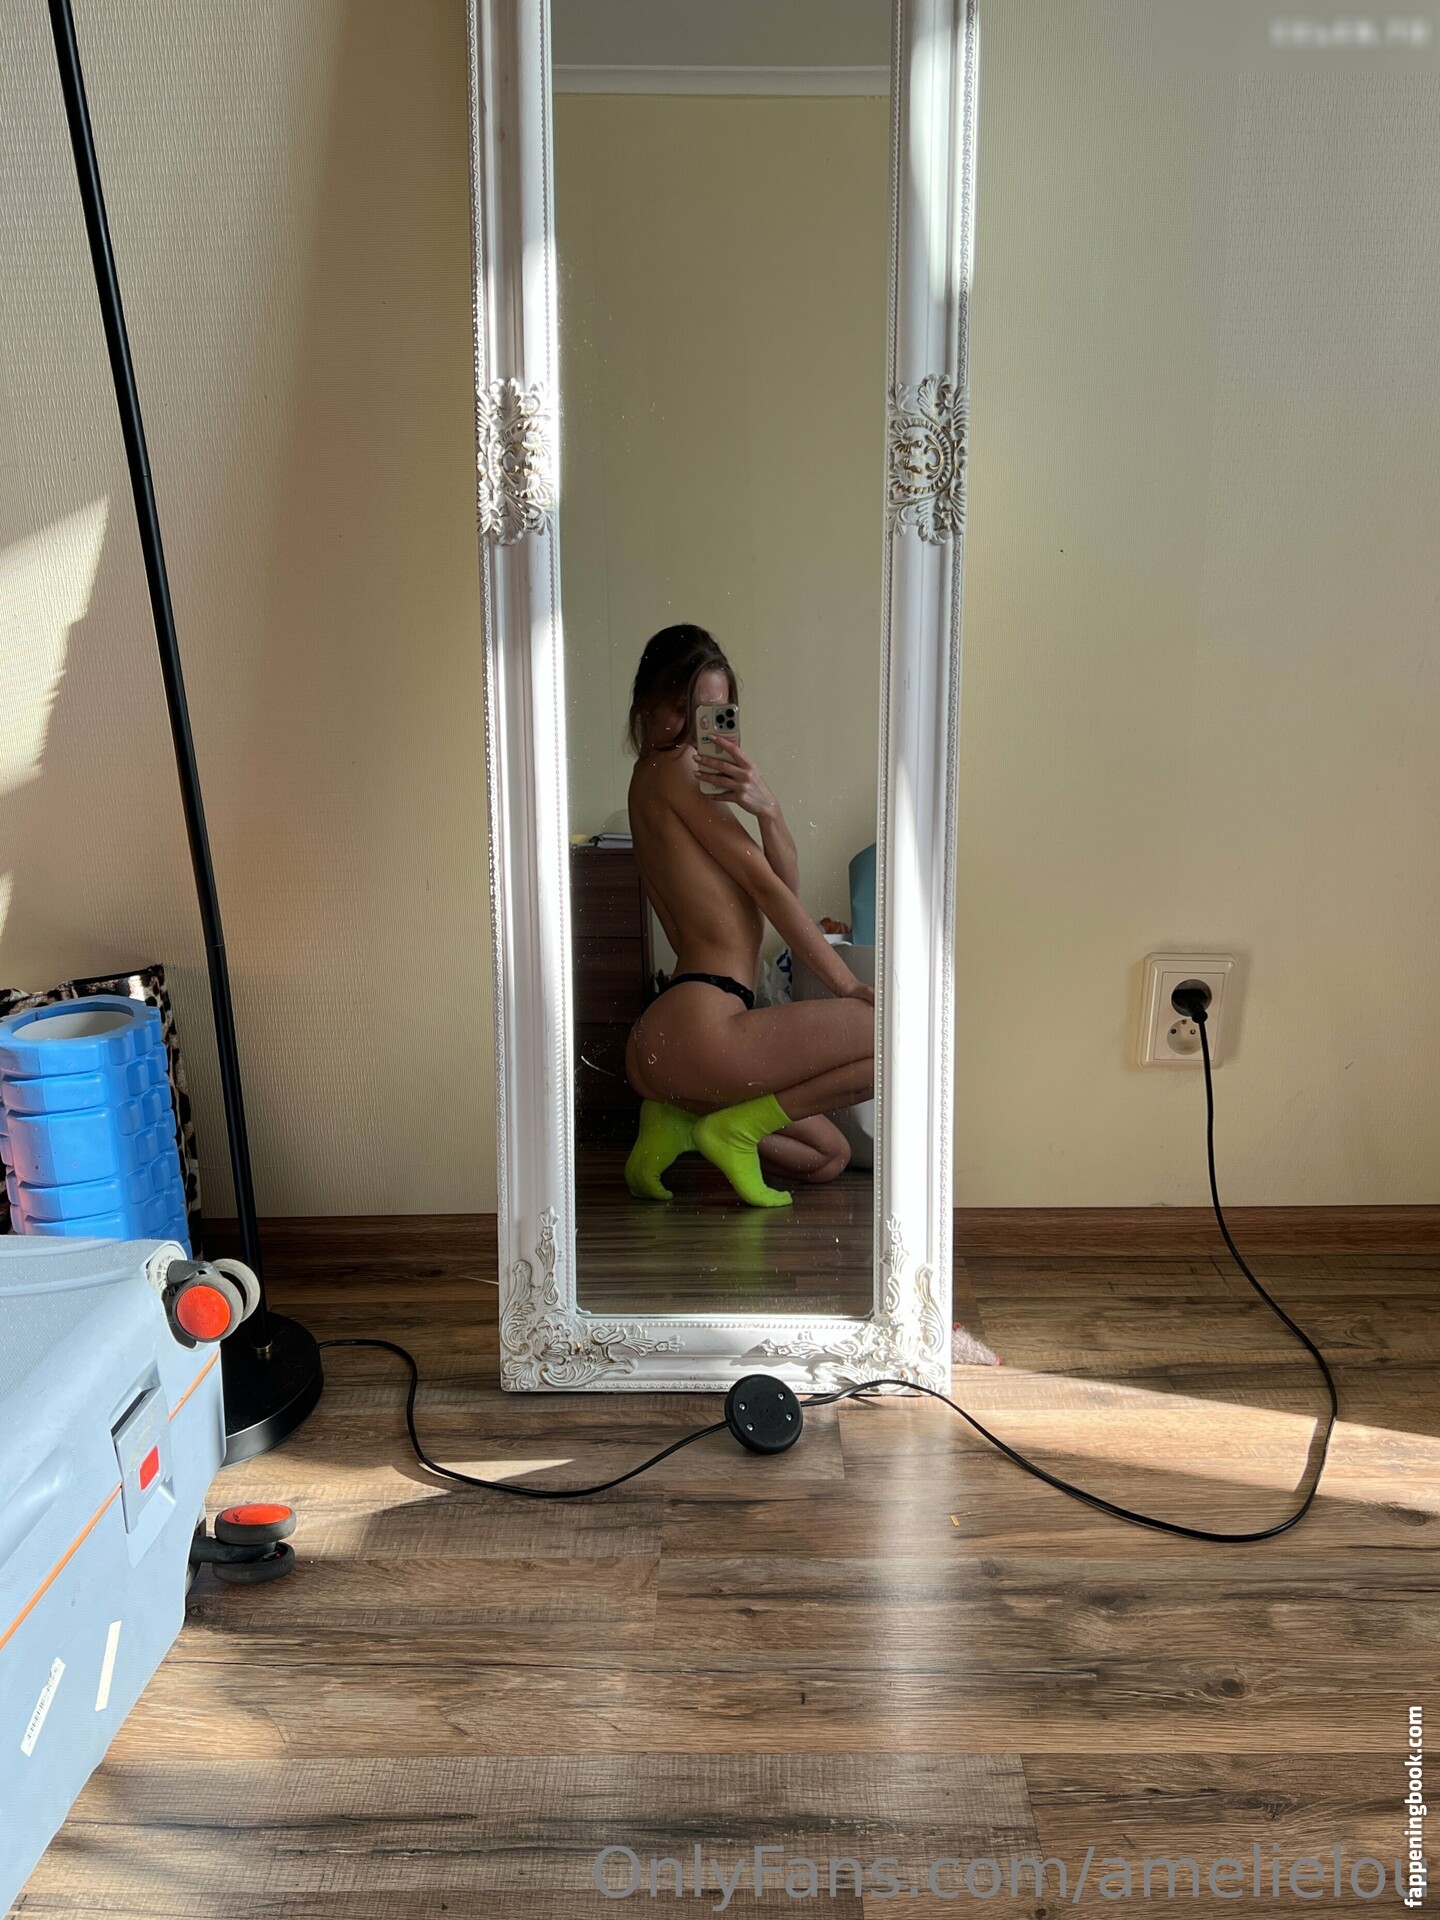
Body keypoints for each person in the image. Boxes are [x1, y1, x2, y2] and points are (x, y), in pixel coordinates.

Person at [620, 624, 873, 1207]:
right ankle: (732, 1127)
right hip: (704, 1025)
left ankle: (684, 1123)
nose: (698, 732)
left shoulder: (650, 781)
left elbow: (781, 888)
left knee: (828, 1157)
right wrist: (849, 985)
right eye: (687, 710)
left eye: (715, 715)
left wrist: (769, 810)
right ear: (649, 701)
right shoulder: (676, 769)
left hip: (679, 1034)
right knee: (894, 1037)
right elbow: (770, 891)